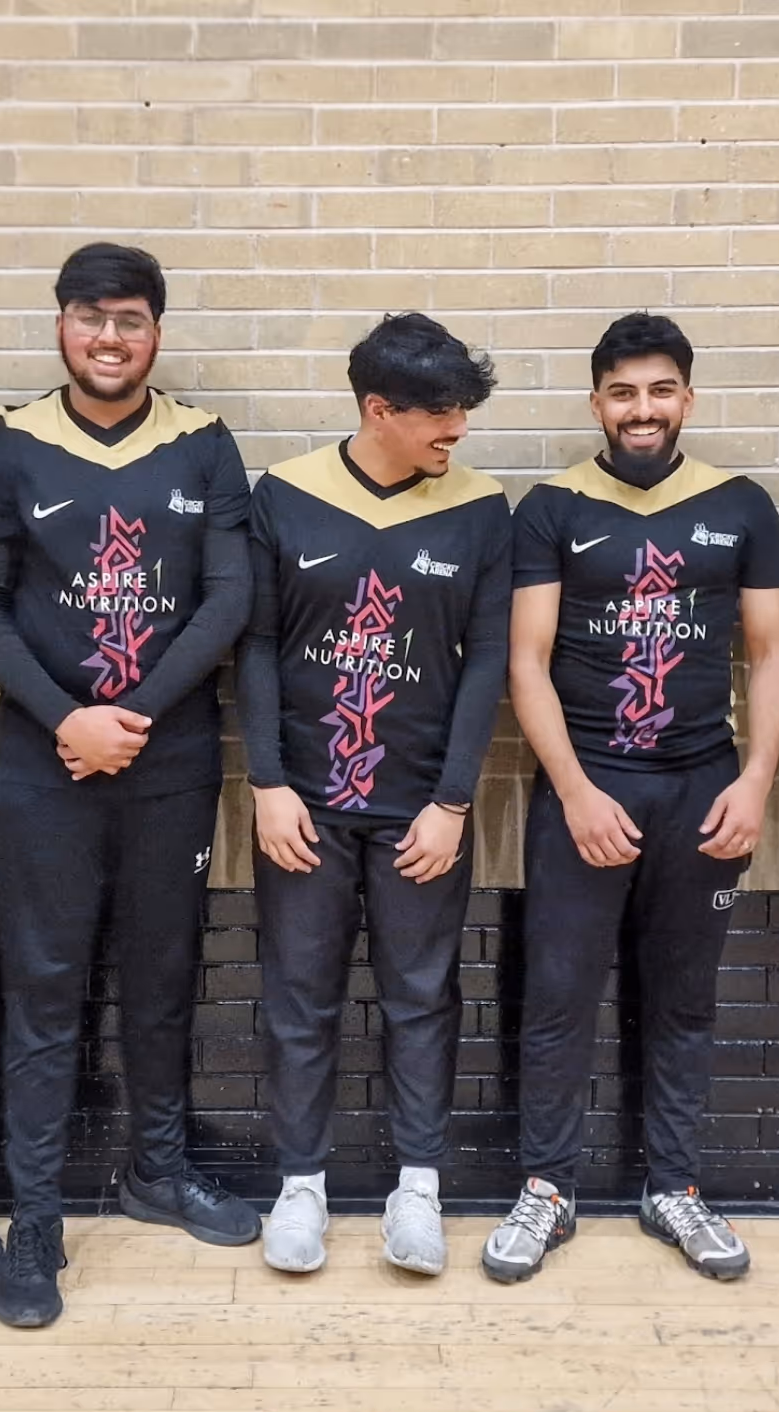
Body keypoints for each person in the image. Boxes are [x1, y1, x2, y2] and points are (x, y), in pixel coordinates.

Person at [0, 243, 258, 1330]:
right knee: (43, 992)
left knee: (162, 977)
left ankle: (157, 1173)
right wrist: (67, 718)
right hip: (44, 764)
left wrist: (128, 721)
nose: (109, 339)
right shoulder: (7, 448)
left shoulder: (203, 447)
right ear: (60, 328)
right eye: (89, 319)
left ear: (155, 333)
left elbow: (226, 601)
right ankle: (35, 1218)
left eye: (128, 320)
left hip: (167, 762)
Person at [484, 312, 779, 1284]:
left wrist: (754, 783)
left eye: (659, 390)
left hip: (702, 792)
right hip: (587, 791)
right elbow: (524, 664)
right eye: (622, 392)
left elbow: (772, 651)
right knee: (558, 999)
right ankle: (546, 1188)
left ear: (686, 399)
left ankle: (674, 1187)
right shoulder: (549, 509)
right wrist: (573, 791)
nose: (641, 409)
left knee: (683, 1001)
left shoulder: (739, 506)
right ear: (596, 403)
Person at [236, 313, 509, 1278]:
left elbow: (487, 668)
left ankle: (418, 1191)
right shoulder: (285, 498)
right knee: (298, 999)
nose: (457, 432)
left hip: (420, 811)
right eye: (439, 414)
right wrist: (266, 782)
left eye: (463, 412)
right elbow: (258, 645)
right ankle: (299, 1188)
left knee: (422, 997)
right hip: (303, 806)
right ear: (377, 409)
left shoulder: (480, 509)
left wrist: (454, 800)